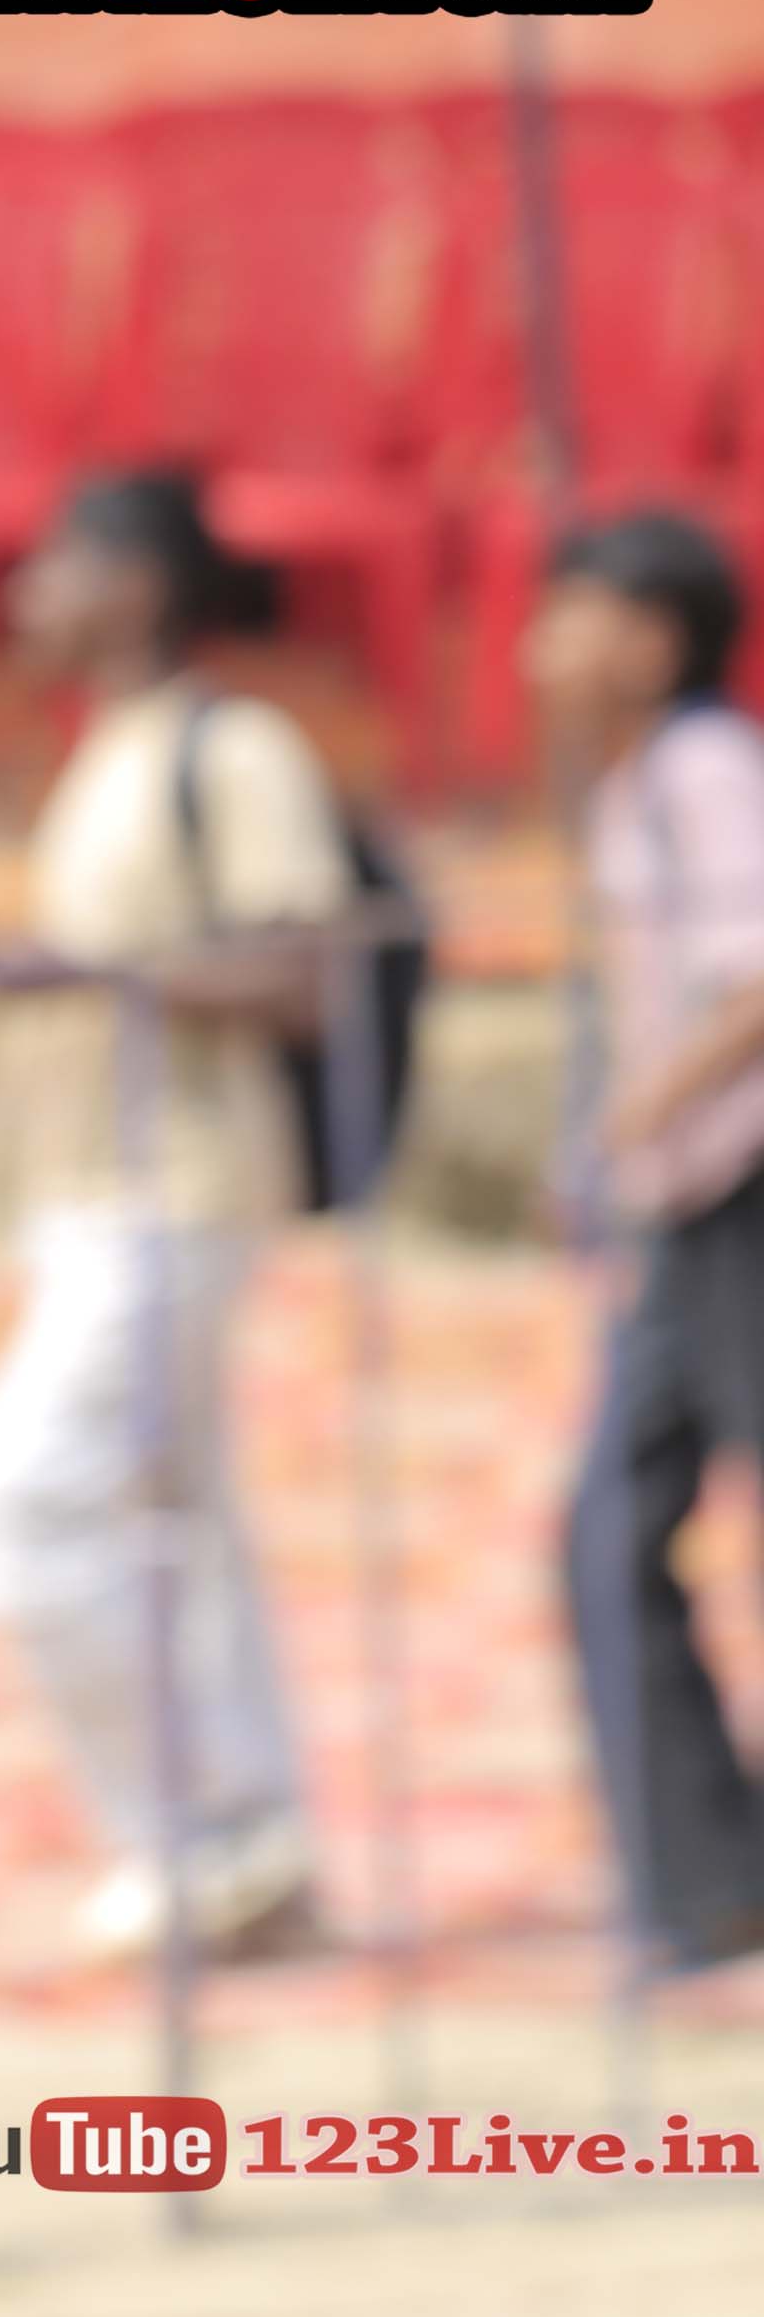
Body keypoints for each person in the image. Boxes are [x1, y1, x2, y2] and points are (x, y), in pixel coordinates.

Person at [0, 464, 368, 1963]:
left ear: (132, 584)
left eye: (51, 566)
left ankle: (189, 1832)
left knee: (25, 1496)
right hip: (88, 1183)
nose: (24, 599)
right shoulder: (111, 750)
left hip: (177, 1187)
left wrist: (90, 977)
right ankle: (256, 1850)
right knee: (184, 1525)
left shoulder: (233, 749)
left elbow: (305, 975)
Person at [523, 505, 764, 1977]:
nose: (539, 650)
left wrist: (627, 1124)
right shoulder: (640, 784)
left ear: (655, 639)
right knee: (607, 1528)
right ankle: (710, 1876)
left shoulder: (706, 772)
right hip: (688, 1204)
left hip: (741, 1190)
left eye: (575, 617)